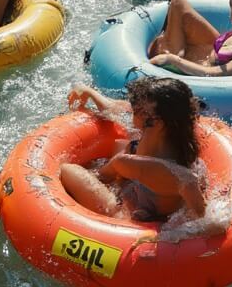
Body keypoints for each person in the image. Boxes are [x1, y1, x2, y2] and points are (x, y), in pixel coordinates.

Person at [60, 78, 206, 221]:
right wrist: (89, 91)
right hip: (147, 195)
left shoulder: (138, 165)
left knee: (69, 170)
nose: (132, 110)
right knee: (124, 146)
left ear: (157, 122)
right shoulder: (176, 134)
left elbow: (101, 176)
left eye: (138, 109)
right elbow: (115, 109)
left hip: (130, 218)